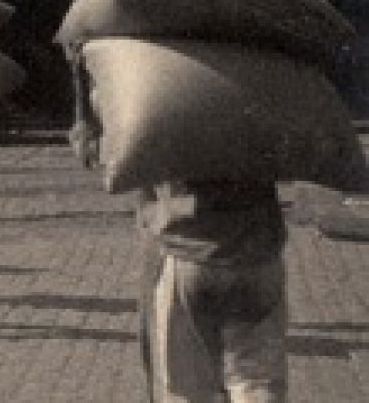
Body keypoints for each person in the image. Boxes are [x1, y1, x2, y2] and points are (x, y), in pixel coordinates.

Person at [69, 68, 288, 400]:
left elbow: (122, 160)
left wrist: (91, 134)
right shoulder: (264, 72)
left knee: (186, 390)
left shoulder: (160, 72)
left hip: (190, 250)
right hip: (259, 250)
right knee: (257, 383)